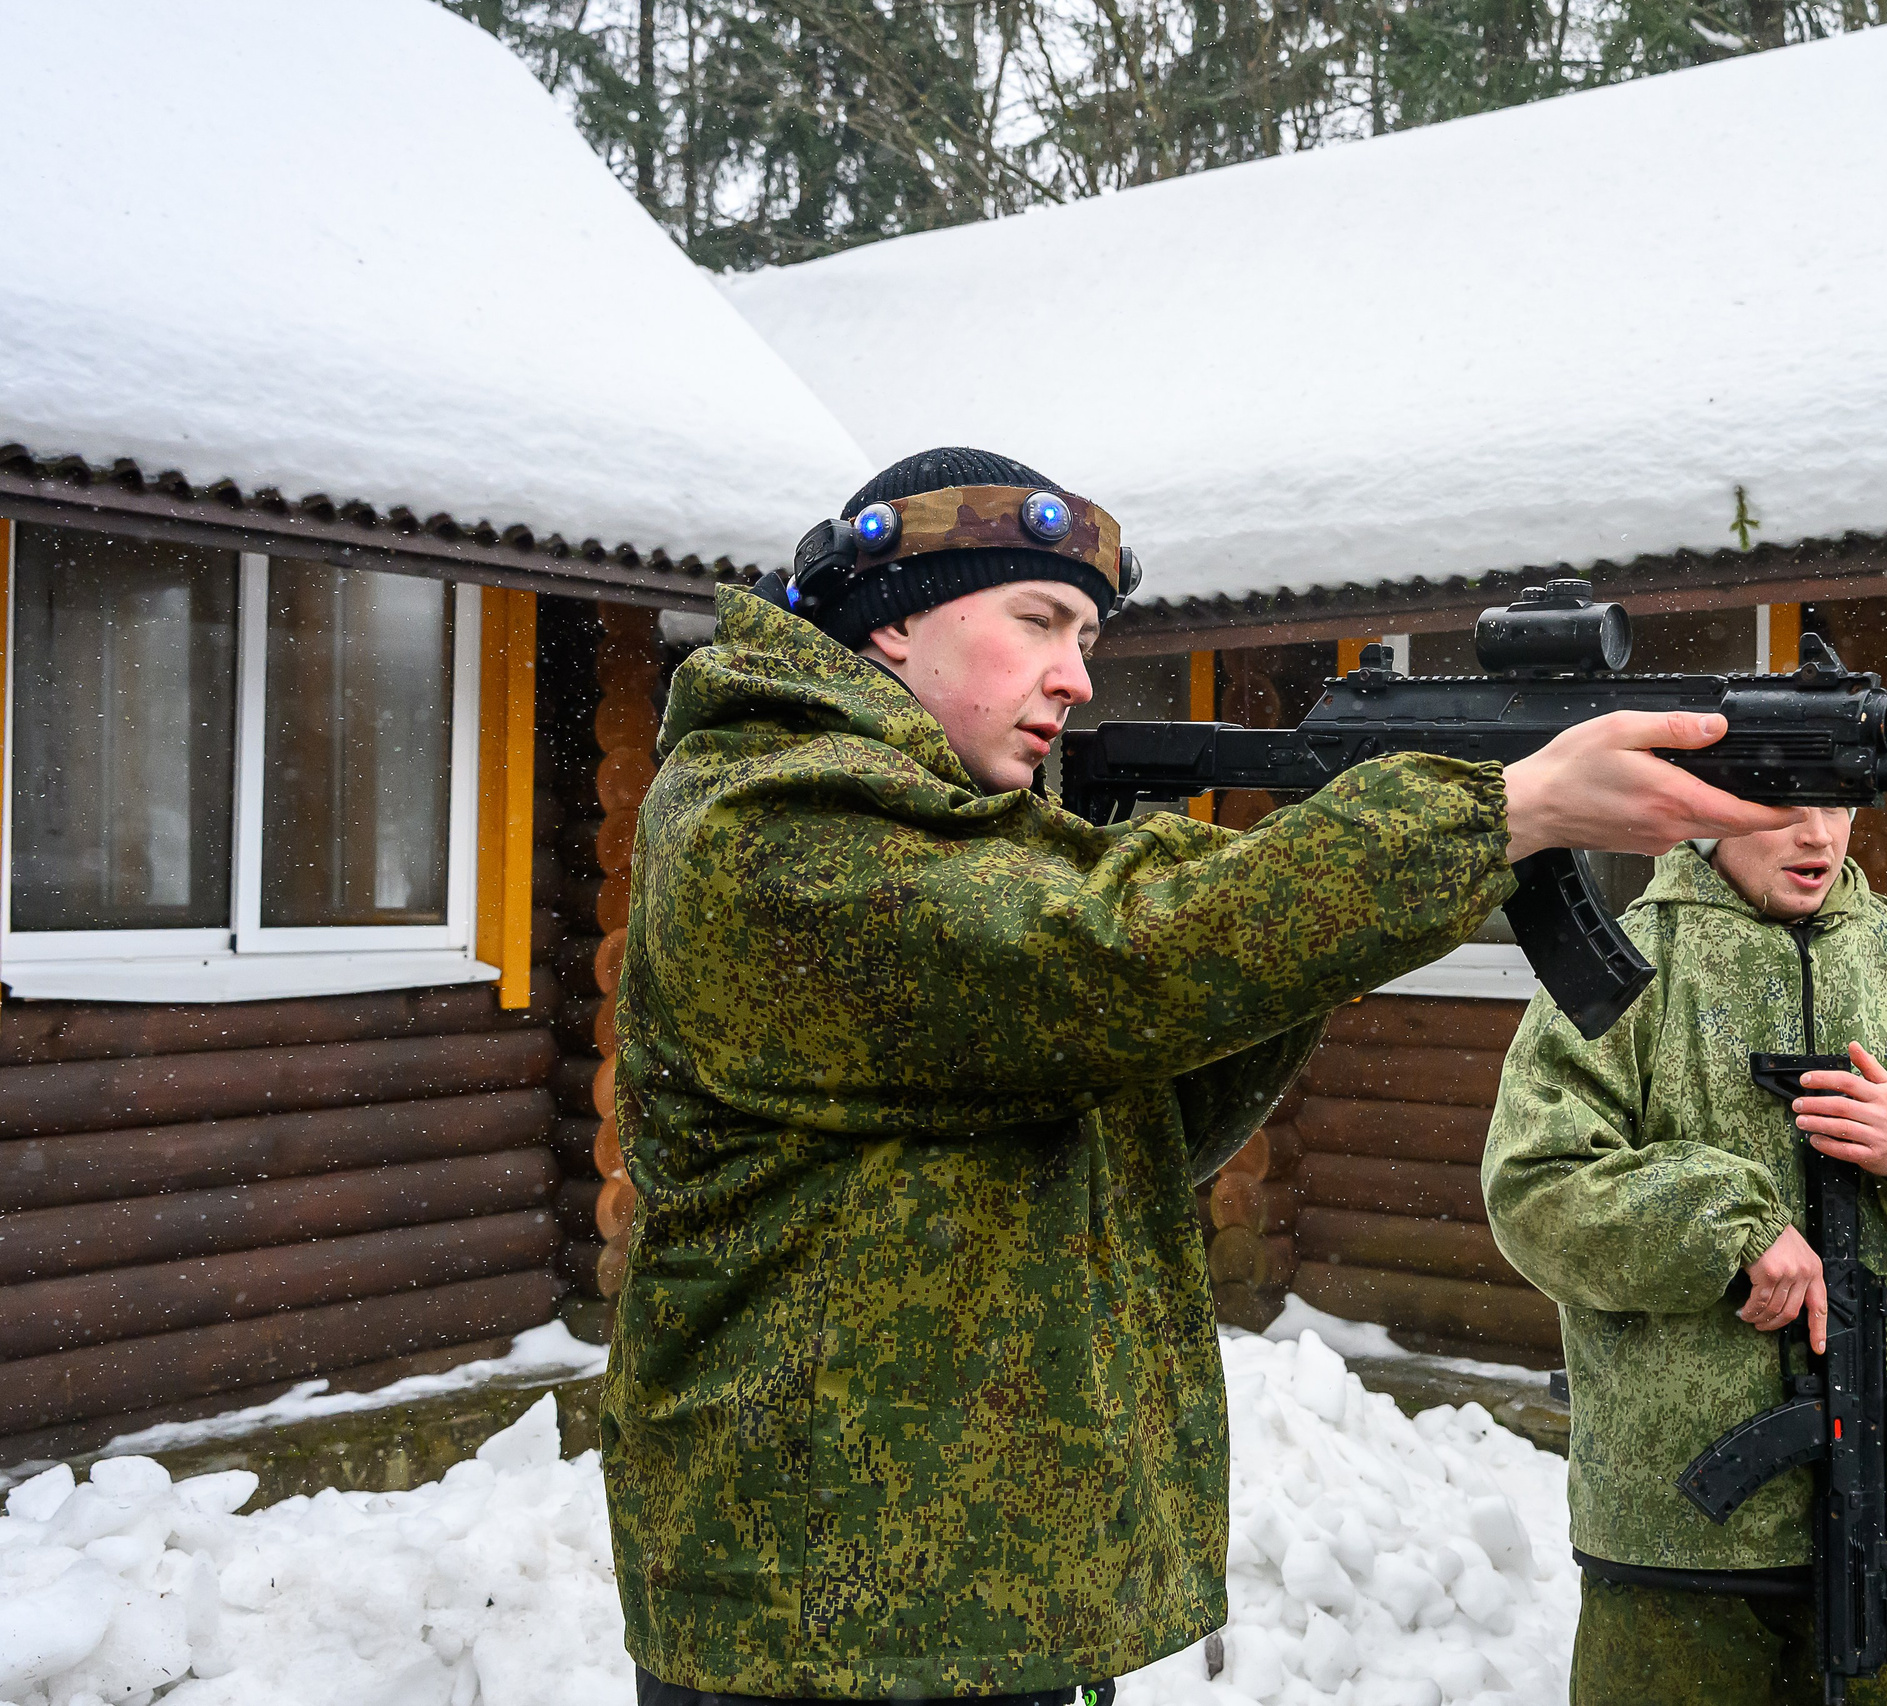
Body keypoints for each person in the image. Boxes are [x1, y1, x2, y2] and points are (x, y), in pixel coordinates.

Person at [601, 445, 1799, 1705]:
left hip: (967, 1591)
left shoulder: (960, 836)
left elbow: (1143, 1108)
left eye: (1087, 633)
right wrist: (1486, 815)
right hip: (818, 1616)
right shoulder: (766, 820)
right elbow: (1109, 957)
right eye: (1039, 621)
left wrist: (1314, 915)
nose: (1076, 672)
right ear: (894, 618)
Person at [1481, 805, 1887, 1705]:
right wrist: (1726, 1226)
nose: (1819, 837)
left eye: (1835, 807)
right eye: (1784, 811)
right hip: (1677, 1537)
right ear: (1714, 815)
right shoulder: (1629, 963)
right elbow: (1536, 1185)